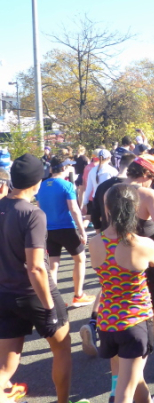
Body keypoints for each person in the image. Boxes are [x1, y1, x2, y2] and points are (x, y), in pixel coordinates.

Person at [0, 154, 91, 403]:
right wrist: (50, 307)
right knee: (61, 348)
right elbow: (36, 267)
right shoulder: (32, 214)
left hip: (5, 294)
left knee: (6, 365)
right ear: (37, 182)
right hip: (35, 294)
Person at [88, 184, 154, 403]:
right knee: (125, 390)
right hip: (134, 322)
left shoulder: (95, 243)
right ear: (134, 208)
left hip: (107, 322)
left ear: (107, 208)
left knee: (134, 376)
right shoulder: (144, 244)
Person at [35, 155, 95, 307]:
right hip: (67, 228)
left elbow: (39, 208)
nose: (71, 168)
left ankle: (53, 301)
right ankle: (78, 295)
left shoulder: (42, 185)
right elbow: (74, 209)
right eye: (69, 166)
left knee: (53, 265)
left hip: (49, 230)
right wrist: (82, 231)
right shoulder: (67, 185)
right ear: (64, 168)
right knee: (80, 259)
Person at [82, 149, 118, 219]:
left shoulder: (92, 171)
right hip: (108, 199)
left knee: (97, 221)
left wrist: (85, 202)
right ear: (109, 158)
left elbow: (88, 188)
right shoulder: (113, 171)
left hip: (95, 199)